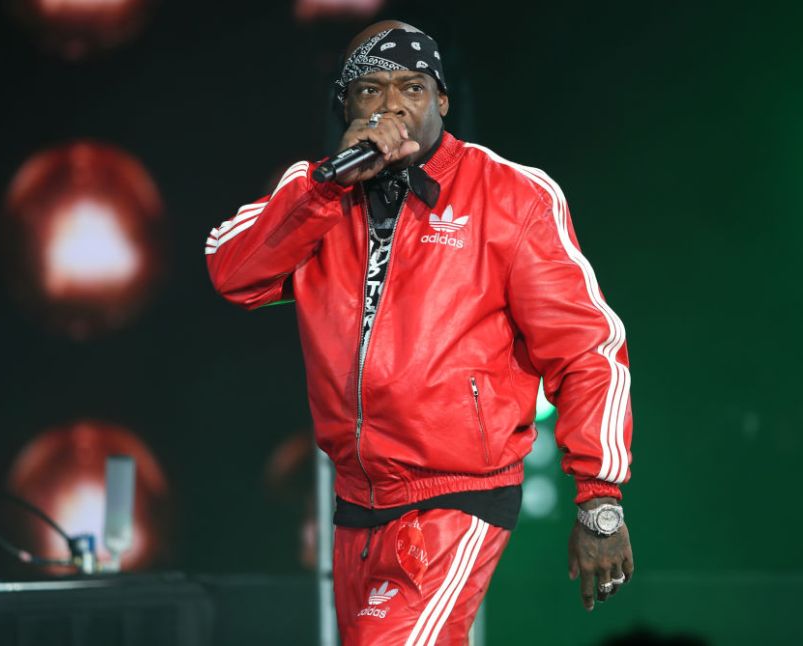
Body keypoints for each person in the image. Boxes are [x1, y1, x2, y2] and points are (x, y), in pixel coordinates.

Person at [205, 20, 634, 645]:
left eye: (412, 87)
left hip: (456, 495)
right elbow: (231, 272)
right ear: (346, 107)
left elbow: (587, 349)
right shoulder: (320, 197)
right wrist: (326, 186)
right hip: (357, 501)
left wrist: (599, 500)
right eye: (371, 90)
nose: (392, 106)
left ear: (442, 102)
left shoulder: (510, 196)